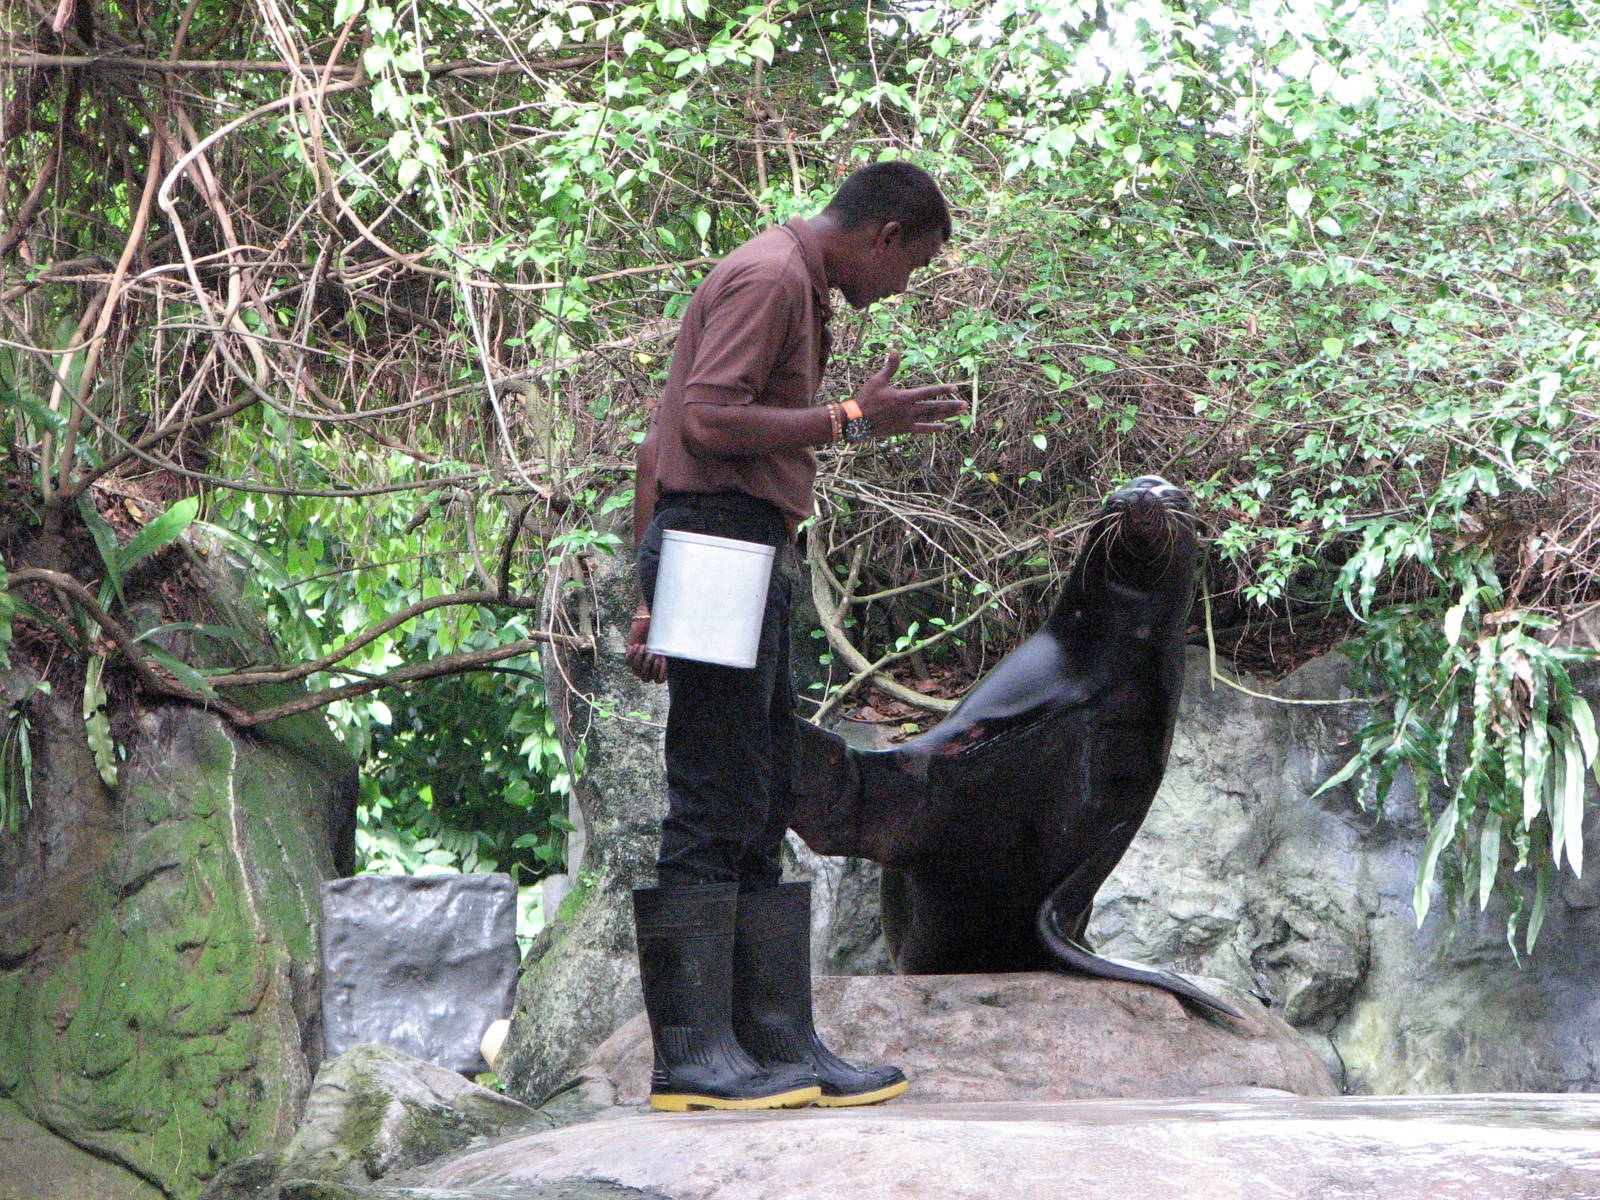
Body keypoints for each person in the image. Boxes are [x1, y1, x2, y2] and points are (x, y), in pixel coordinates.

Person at [624, 162, 966, 1112]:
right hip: (718, 543)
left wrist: (652, 591)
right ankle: (694, 1059)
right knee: (713, 788)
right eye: (914, 266)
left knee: (761, 780)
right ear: (886, 233)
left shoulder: (795, 284)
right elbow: (702, 420)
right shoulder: (771, 276)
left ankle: (774, 1045)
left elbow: (665, 437)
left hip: (732, 545)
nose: (902, 288)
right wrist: (850, 418)